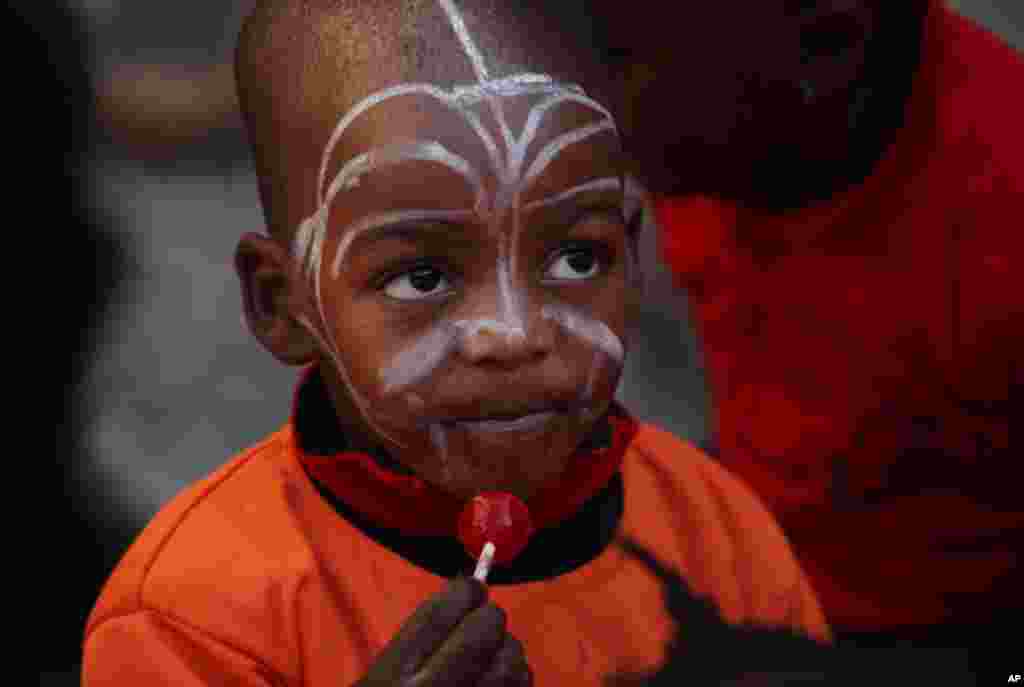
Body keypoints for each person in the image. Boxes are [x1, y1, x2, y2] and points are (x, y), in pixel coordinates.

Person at [81, 1, 830, 684]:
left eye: (577, 258)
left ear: (633, 258)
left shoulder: (717, 535)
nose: (513, 333)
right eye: (422, 275)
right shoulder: (191, 618)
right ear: (283, 303)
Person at [586, 0, 1022, 657]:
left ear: (829, 42)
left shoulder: (1000, 238)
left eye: (617, 60)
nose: (582, 101)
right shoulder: (721, 116)